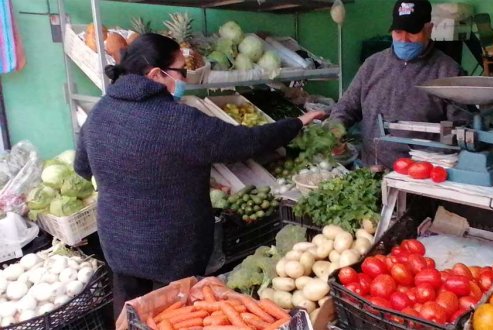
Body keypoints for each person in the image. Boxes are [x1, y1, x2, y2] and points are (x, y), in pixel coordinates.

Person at [73, 33, 324, 318]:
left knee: (130, 315)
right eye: (182, 71)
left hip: (118, 243)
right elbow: (246, 142)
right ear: (157, 74)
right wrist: (296, 122)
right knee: (176, 317)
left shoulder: (101, 111)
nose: (186, 78)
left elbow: (82, 168)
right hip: (173, 249)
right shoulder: (178, 121)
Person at [329, 0, 469, 169]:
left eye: (412, 32)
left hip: (420, 176)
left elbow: (461, 127)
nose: (404, 39)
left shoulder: (448, 72)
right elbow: (347, 106)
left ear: (429, 29)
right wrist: (335, 131)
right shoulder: (372, 65)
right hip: (372, 171)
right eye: (398, 31)